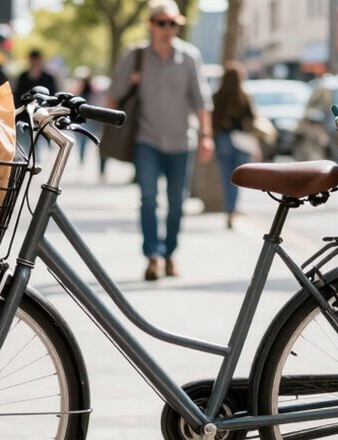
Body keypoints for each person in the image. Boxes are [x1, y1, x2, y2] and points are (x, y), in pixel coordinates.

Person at [109, 0, 213, 281]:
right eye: (162, 23)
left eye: (173, 23)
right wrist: (131, 81)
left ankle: (169, 254)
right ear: (151, 25)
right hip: (147, 140)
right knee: (148, 198)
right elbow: (113, 94)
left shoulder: (189, 56)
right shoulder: (136, 55)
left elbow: (202, 100)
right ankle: (153, 256)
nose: (168, 29)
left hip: (182, 142)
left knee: (177, 202)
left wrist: (206, 136)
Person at [211, 61, 257, 230]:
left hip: (223, 139)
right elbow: (252, 118)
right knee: (238, 179)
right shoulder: (243, 96)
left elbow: (212, 118)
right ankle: (232, 211)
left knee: (226, 178)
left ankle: (229, 210)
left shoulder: (217, 96)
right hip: (241, 141)